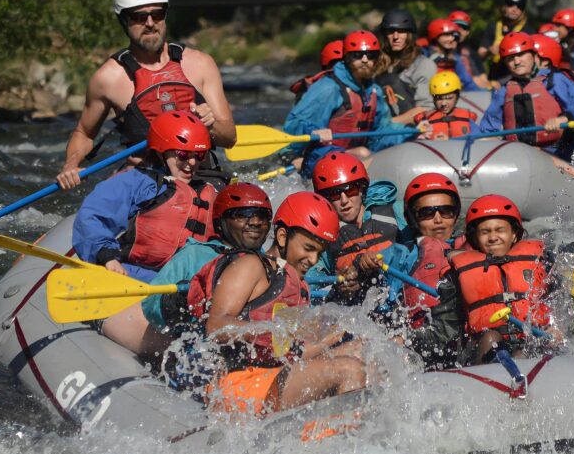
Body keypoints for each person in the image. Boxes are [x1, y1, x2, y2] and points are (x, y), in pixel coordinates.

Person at [181, 191, 366, 415]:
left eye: (320, 252)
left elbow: (286, 353)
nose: (313, 260)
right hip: (236, 384)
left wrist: (327, 342)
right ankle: (337, 443)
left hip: (269, 377)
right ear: (281, 236)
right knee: (348, 369)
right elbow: (217, 326)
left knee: (363, 352)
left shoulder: (299, 287)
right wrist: (269, 331)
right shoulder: (252, 266)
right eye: (308, 248)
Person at [57, 0, 235, 190]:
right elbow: (84, 133)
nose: (150, 23)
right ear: (124, 20)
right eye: (139, 17)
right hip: (144, 182)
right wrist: (71, 164)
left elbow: (229, 138)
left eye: (157, 14)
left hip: (200, 177)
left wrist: (210, 126)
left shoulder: (201, 64)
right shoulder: (108, 78)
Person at [100, 182, 273, 356]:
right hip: (194, 346)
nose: (256, 223)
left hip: (244, 348)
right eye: (243, 215)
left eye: (263, 216)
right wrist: (174, 304)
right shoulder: (195, 254)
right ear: (221, 222)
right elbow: (151, 305)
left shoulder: (269, 264)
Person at [72, 110, 217, 282]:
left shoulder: (209, 189)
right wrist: (107, 257)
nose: (192, 163)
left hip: (188, 284)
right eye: (183, 155)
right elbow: (92, 217)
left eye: (198, 155)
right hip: (133, 275)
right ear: (160, 152)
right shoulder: (134, 182)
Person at [428, 195, 561, 366]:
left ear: (514, 234)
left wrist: (557, 329)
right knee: (491, 339)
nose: (493, 237)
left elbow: (563, 303)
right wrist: (406, 341)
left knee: (525, 352)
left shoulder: (542, 261)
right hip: (484, 352)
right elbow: (444, 328)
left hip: (534, 344)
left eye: (500, 230)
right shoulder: (455, 275)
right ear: (475, 238)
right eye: (485, 232)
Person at [282, 30, 412, 177]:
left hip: (356, 156)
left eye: (371, 56)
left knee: (378, 152)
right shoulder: (328, 88)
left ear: (376, 60)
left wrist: (410, 133)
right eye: (357, 55)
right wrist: (313, 131)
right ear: (347, 58)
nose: (364, 59)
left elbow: (381, 131)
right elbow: (294, 124)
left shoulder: (373, 91)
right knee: (363, 153)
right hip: (319, 156)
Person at [378, 173, 469, 369]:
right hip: (421, 343)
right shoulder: (400, 255)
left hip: (464, 342)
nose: (438, 219)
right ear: (411, 219)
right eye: (427, 213)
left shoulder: (476, 247)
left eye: (446, 211)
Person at [474, 32, 574, 174]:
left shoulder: (554, 80)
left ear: (534, 55)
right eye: (510, 58)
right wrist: (485, 140)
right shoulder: (504, 90)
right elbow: (488, 127)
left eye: (521, 55)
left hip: (562, 154)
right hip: (524, 158)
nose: (516, 62)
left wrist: (564, 118)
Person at [308, 152, 409, 305]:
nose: (344, 201)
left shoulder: (396, 211)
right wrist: (339, 289)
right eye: (334, 195)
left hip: (404, 295)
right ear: (325, 199)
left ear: (361, 189)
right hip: (364, 314)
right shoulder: (325, 239)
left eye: (350, 191)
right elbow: (308, 287)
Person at [377, 9, 437, 124]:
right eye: (390, 31)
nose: (395, 37)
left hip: (411, 133)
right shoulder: (376, 64)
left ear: (409, 34)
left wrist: (388, 125)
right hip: (378, 134)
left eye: (401, 31)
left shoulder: (424, 65)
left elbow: (426, 108)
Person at [477, 0, 536, 83]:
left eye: (519, 6)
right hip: (495, 76)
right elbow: (480, 54)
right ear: (504, 7)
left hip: (519, 76)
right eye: (511, 5)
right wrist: (489, 51)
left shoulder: (529, 31)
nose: (514, 9)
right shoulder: (493, 26)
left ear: (523, 10)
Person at [413, 72, 480, 140]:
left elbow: (478, 139)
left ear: (457, 97)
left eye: (449, 98)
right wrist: (424, 137)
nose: (443, 103)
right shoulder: (424, 121)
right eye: (439, 99)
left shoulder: (468, 118)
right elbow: (418, 144)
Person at [425, 19, 482, 92]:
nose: (452, 39)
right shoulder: (424, 56)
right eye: (447, 35)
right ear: (434, 36)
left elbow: (469, 84)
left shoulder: (455, 59)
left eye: (454, 36)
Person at [446, 10, 491, 90]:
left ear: (467, 32)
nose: (459, 30)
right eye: (455, 26)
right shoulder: (439, 52)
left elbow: (483, 80)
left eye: (464, 28)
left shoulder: (471, 54)